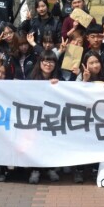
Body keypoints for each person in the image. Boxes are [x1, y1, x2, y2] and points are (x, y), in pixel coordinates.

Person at [26, 51, 61, 184]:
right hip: (35, 117)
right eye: (45, 61)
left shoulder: (59, 77)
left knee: (50, 143)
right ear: (40, 63)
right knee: (36, 144)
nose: (48, 64)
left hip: (53, 117)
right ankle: (35, 170)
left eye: (51, 61)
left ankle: (50, 168)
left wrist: (59, 85)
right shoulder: (32, 77)